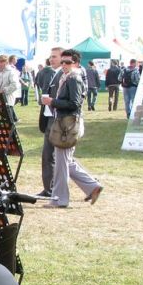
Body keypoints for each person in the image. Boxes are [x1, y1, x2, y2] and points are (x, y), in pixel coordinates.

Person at [40, 49, 103, 208]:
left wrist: (52, 102)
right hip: (65, 124)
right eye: (63, 62)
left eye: (67, 62)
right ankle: (92, 186)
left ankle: (59, 199)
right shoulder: (66, 77)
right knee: (65, 162)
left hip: (68, 125)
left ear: (75, 63)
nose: (64, 65)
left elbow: (74, 104)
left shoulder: (74, 78)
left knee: (62, 164)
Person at [36, 47, 63, 197]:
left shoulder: (65, 75)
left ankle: (91, 184)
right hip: (48, 117)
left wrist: (52, 101)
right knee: (49, 155)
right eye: (50, 56)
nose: (51, 59)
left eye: (54, 57)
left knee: (58, 156)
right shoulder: (50, 73)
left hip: (58, 119)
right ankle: (48, 188)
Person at [0, 54, 19, 121]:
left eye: (1, 62)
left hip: (6, 102)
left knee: (9, 123)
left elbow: (15, 85)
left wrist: (4, 90)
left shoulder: (11, 72)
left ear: (6, 62)